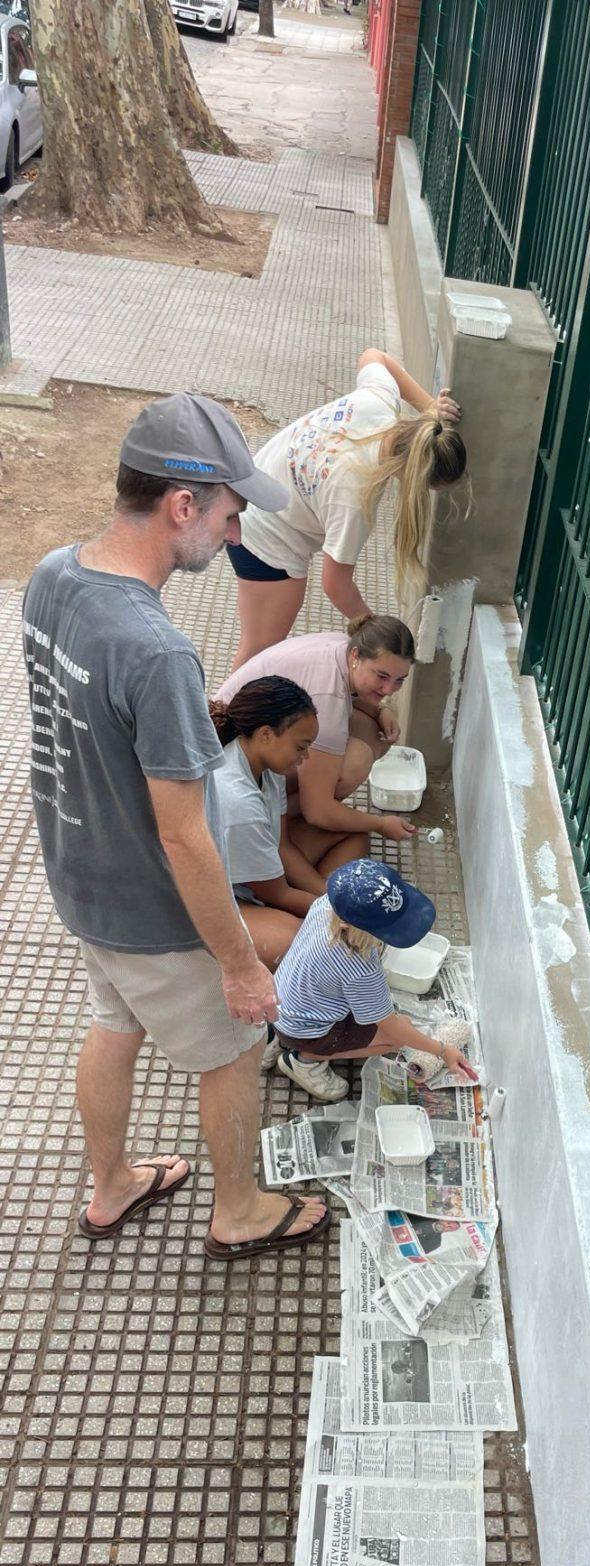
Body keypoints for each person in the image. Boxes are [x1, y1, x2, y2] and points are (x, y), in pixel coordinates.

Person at [21, 393, 330, 1262]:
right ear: (181, 504)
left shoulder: (53, 575)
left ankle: (111, 1185)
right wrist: (238, 964)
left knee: (114, 1026)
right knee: (234, 1051)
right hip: (153, 910)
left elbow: (80, 724)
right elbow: (187, 837)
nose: (236, 535)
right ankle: (240, 1211)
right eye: (231, 514)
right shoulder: (157, 651)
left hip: (81, 879)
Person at [225, 348, 466, 669]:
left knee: (258, 652)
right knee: (259, 654)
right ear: (414, 477)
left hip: (254, 489)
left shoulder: (379, 401)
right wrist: (373, 627)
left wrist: (429, 406)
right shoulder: (355, 496)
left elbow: (374, 356)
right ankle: (217, 718)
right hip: (265, 537)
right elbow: (335, 584)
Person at [214, 614, 418, 868]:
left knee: (371, 732)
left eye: (400, 680)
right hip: (233, 776)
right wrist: (380, 824)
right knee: (350, 775)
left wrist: (379, 710)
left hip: (235, 742)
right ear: (356, 656)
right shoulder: (327, 698)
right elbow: (317, 813)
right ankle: (293, 814)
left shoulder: (342, 646)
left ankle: (292, 813)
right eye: (382, 676)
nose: (389, 689)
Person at [271, 858, 478, 1101]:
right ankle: (304, 1060)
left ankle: (273, 1040)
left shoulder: (326, 904)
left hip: (277, 1001)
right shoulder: (360, 969)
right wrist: (443, 1051)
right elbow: (393, 1029)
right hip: (305, 1031)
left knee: (391, 1024)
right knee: (395, 1040)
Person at [207, 676, 337, 968]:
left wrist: (329, 898)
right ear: (266, 734)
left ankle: (326, 910)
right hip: (218, 896)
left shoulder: (266, 763)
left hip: (259, 875)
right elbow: (277, 893)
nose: (305, 757)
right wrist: (341, 915)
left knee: (350, 836)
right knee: (299, 947)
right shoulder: (237, 801)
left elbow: (282, 845)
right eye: (301, 747)